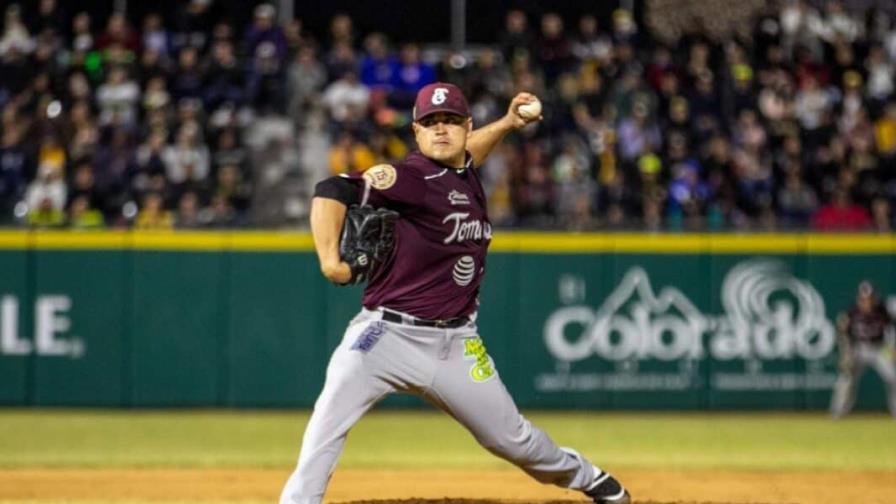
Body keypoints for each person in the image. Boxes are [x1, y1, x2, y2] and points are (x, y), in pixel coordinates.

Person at [279, 82, 630, 504]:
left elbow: (468, 157)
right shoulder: (408, 178)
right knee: (325, 426)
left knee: (512, 439)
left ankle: (587, 476)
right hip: (385, 336)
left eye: (449, 121)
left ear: (467, 126)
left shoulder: (462, 172)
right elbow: (332, 189)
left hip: (457, 343)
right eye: (430, 122)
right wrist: (330, 261)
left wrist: (506, 123)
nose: (440, 129)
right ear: (415, 131)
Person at [830, 281, 896, 419]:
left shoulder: (883, 310)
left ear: (874, 298)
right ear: (859, 299)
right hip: (858, 349)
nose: (867, 302)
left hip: (879, 349)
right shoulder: (851, 313)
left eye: (870, 298)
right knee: (846, 379)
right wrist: (845, 353)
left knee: (893, 377)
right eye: (864, 299)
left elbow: (891, 331)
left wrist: (892, 349)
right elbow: (842, 333)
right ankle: (837, 412)